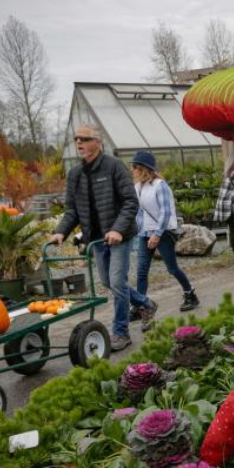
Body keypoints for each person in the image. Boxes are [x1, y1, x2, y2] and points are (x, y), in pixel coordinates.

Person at [49, 124, 155, 351]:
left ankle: (121, 333)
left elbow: (130, 201)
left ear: (98, 142)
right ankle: (145, 304)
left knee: (117, 283)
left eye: (85, 139)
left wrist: (117, 229)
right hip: (96, 239)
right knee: (108, 282)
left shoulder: (114, 167)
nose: (80, 143)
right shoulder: (75, 174)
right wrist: (61, 232)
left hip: (120, 236)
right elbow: (72, 210)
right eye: (77, 139)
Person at [130, 150, 199, 321]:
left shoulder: (160, 185)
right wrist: (138, 231)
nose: (132, 170)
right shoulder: (137, 187)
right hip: (144, 233)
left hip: (162, 233)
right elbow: (138, 213)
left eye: (134, 167)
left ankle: (190, 294)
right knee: (141, 271)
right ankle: (141, 306)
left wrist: (157, 234)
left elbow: (165, 212)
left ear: (143, 168)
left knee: (172, 268)